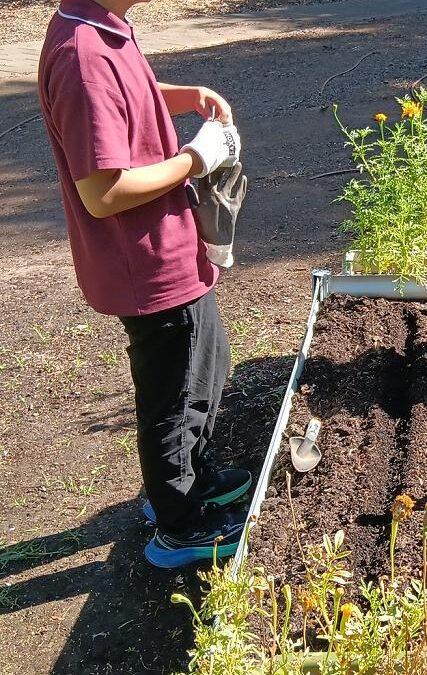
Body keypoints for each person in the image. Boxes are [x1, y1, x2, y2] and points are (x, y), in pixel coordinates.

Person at [38, 0, 251, 568]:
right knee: (176, 397)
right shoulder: (81, 57)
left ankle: (190, 482)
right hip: (149, 265)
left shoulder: (103, 28)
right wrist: (194, 159)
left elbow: (129, 96)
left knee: (205, 365)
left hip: (170, 252)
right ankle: (178, 527)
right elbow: (102, 194)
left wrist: (184, 96)